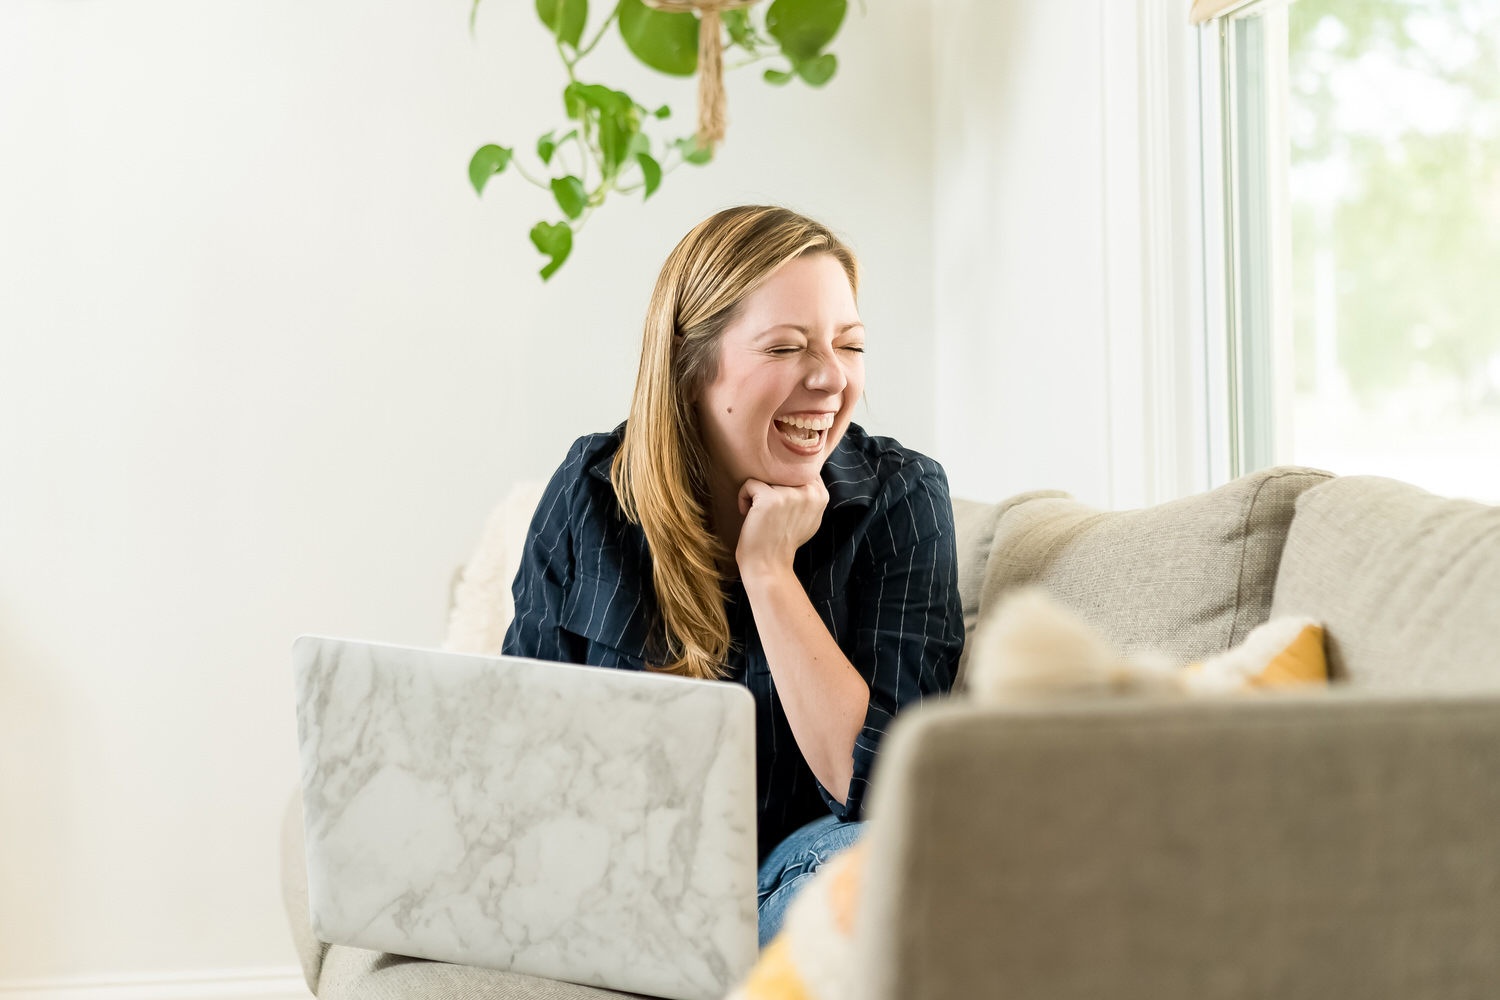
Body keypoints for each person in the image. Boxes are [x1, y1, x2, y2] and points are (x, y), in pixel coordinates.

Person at [503, 204, 964, 946]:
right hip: (617, 886)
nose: (831, 378)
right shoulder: (593, 492)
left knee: (888, 866)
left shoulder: (901, 498)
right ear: (691, 366)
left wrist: (769, 572)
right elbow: (518, 746)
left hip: (800, 877)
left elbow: (884, 788)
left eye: (851, 345)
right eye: (786, 347)